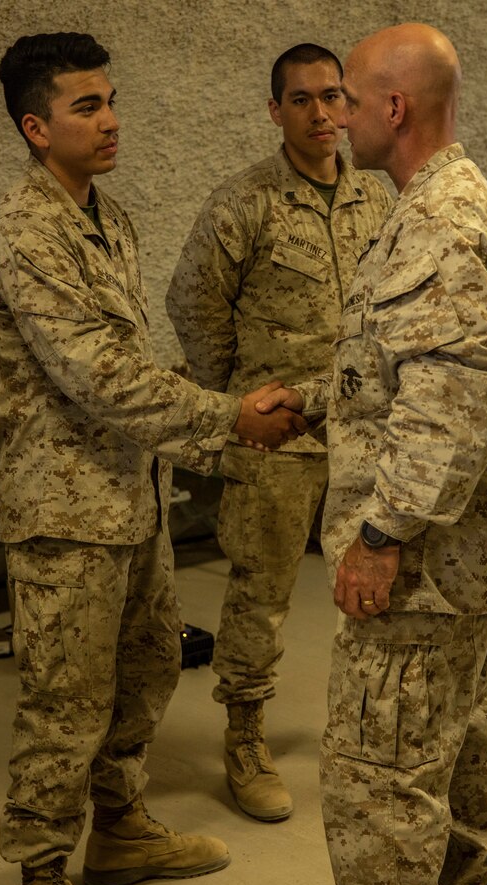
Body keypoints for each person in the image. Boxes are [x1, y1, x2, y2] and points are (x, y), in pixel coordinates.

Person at [0, 32, 306, 885]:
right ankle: (41, 875)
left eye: (111, 101)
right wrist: (229, 418)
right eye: (87, 107)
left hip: (130, 494)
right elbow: (98, 375)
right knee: (65, 702)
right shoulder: (23, 232)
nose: (112, 120)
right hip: (66, 515)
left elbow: (129, 365)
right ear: (37, 127)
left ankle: (119, 832)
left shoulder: (106, 217)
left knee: (147, 669)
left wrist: (219, 412)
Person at [256, 23, 487, 885]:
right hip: (453, 571)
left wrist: (380, 536)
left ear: (395, 108)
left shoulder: (439, 226)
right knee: (452, 747)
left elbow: (446, 408)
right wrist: (313, 399)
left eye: (348, 99)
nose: (336, 117)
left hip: (418, 576)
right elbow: (402, 370)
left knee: (380, 785)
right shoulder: (433, 206)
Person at [165, 43, 392, 822]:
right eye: (301, 99)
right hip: (278, 440)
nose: (320, 113)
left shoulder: (375, 199)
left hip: (362, 433)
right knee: (260, 594)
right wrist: (238, 404)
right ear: (275, 110)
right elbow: (192, 302)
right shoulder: (245, 202)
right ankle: (244, 737)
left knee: (374, 585)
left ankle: (366, 726)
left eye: (332, 96)